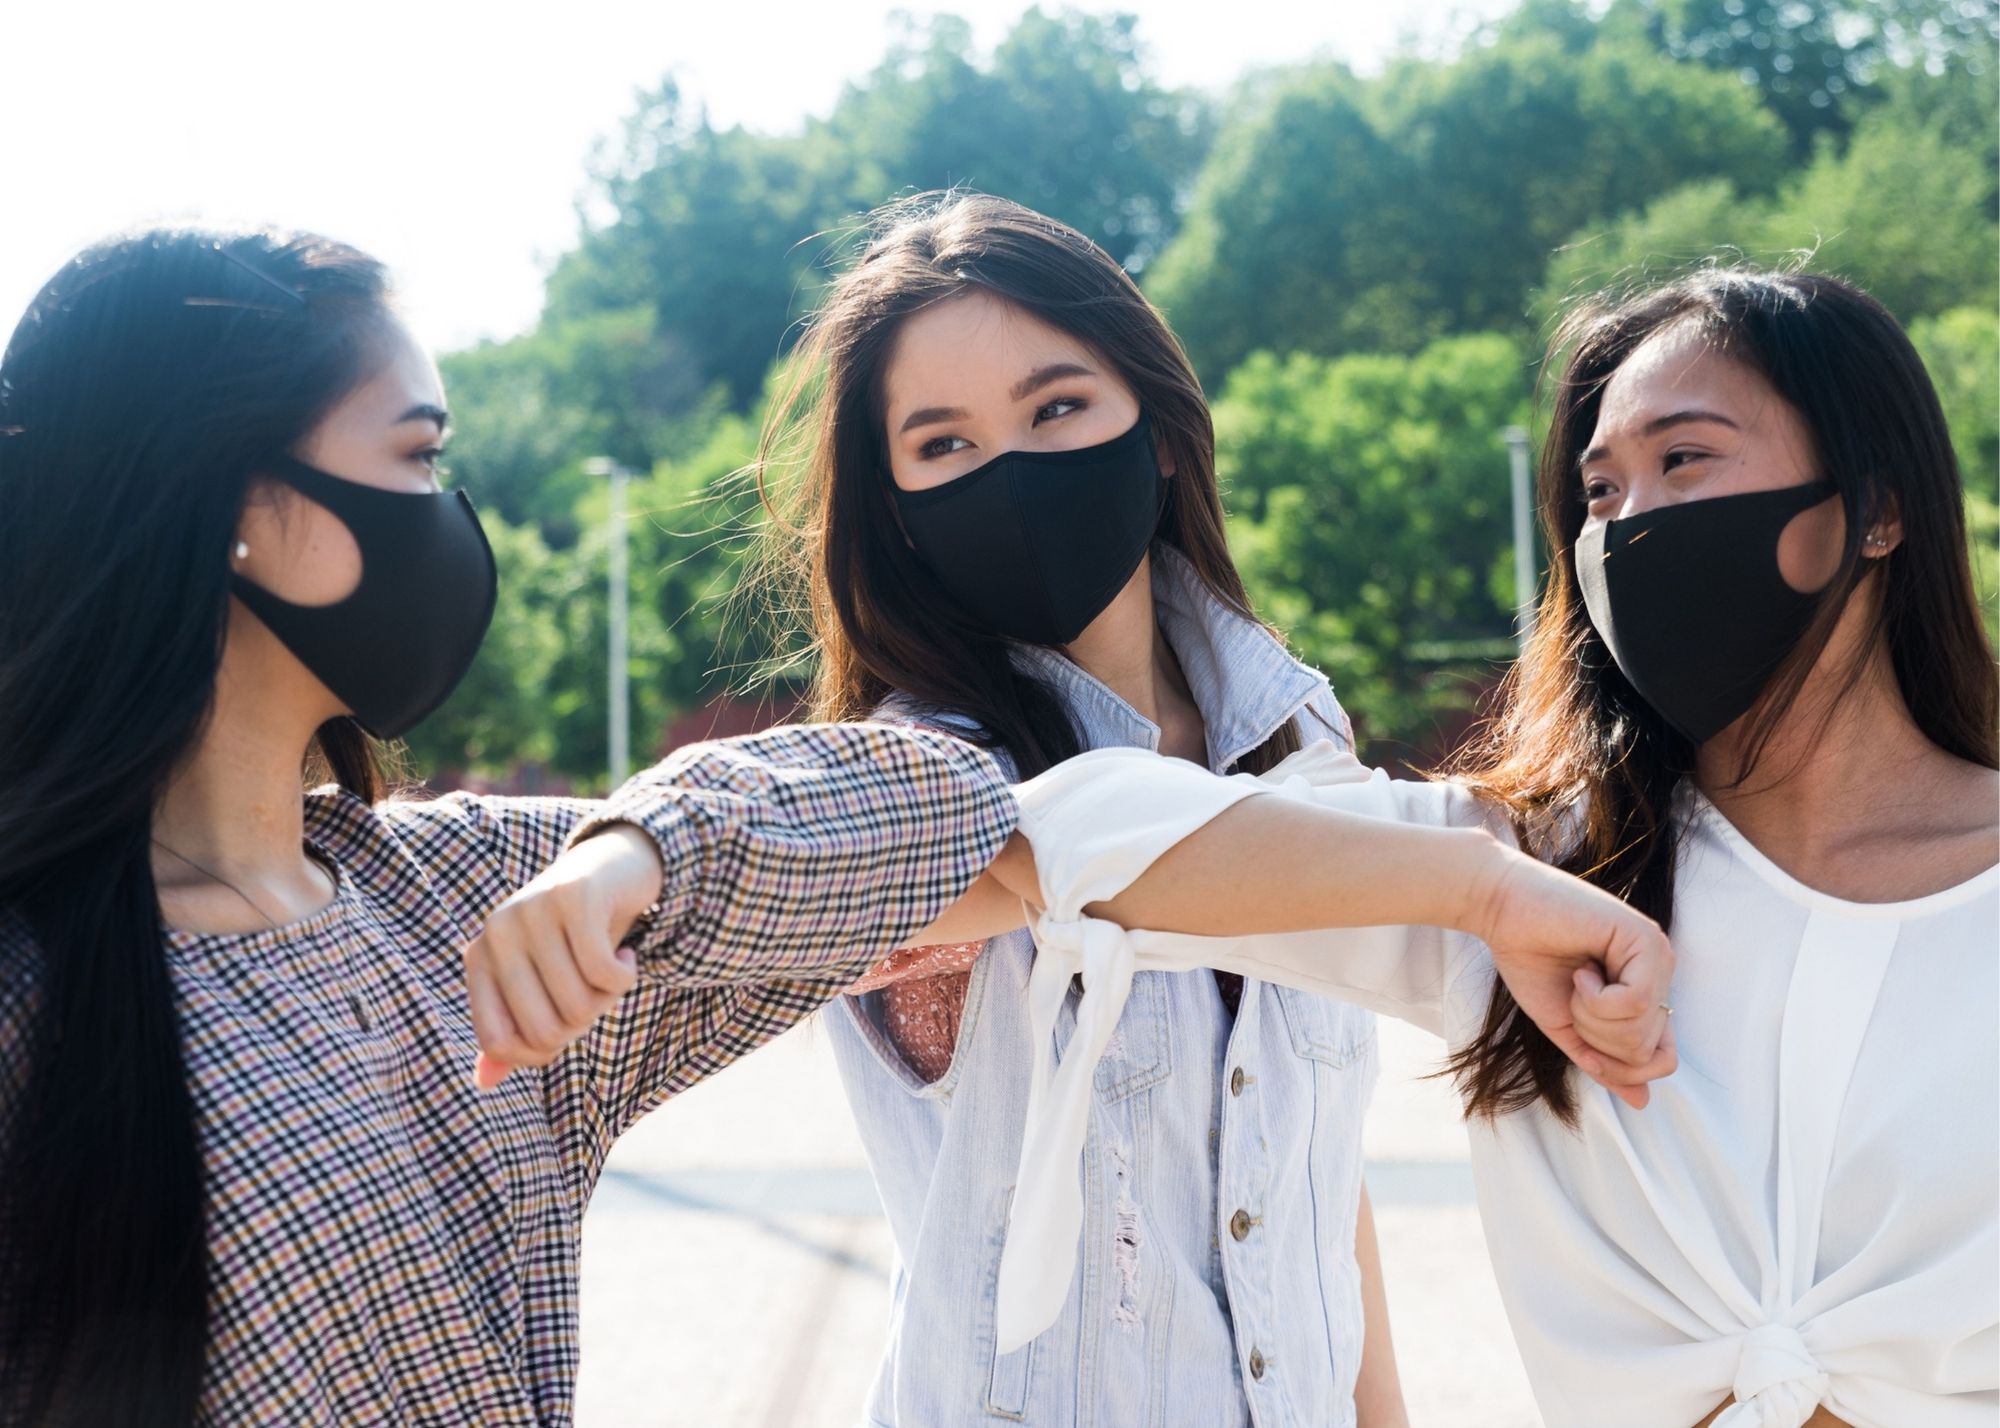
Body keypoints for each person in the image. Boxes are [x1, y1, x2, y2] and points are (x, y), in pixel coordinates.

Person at [0, 227, 1022, 1428]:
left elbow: (953, 809)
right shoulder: (34, 988)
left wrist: (641, 852)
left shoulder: (453, 901)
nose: (452, 517)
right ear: (242, 506)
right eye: (420, 455)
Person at [987, 269, 1998, 1428]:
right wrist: (1477, 891)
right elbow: (1041, 846)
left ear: (1873, 506)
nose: (1623, 527)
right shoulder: (1530, 874)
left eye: (1681, 461)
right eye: (1597, 493)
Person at [739, 191, 1672, 1428]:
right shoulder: (922, 783)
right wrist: (1478, 887)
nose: (1009, 470)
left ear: (1161, 431)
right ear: (896, 508)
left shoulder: (1296, 738)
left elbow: (1305, 1181)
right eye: (943, 446)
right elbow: (1071, 847)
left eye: (1055, 407)